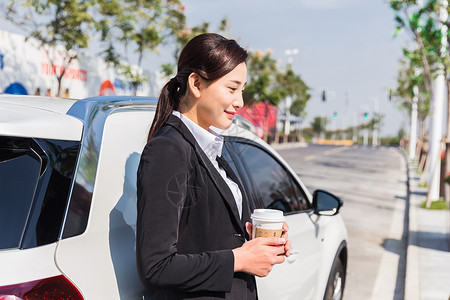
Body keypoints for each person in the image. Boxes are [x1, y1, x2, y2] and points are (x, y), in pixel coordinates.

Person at [136, 33, 291, 300]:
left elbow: (204, 231)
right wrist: (239, 259)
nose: (240, 102)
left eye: (242, 90)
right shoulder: (168, 150)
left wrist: (254, 239)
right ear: (196, 83)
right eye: (232, 89)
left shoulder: (210, 148)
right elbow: (156, 267)